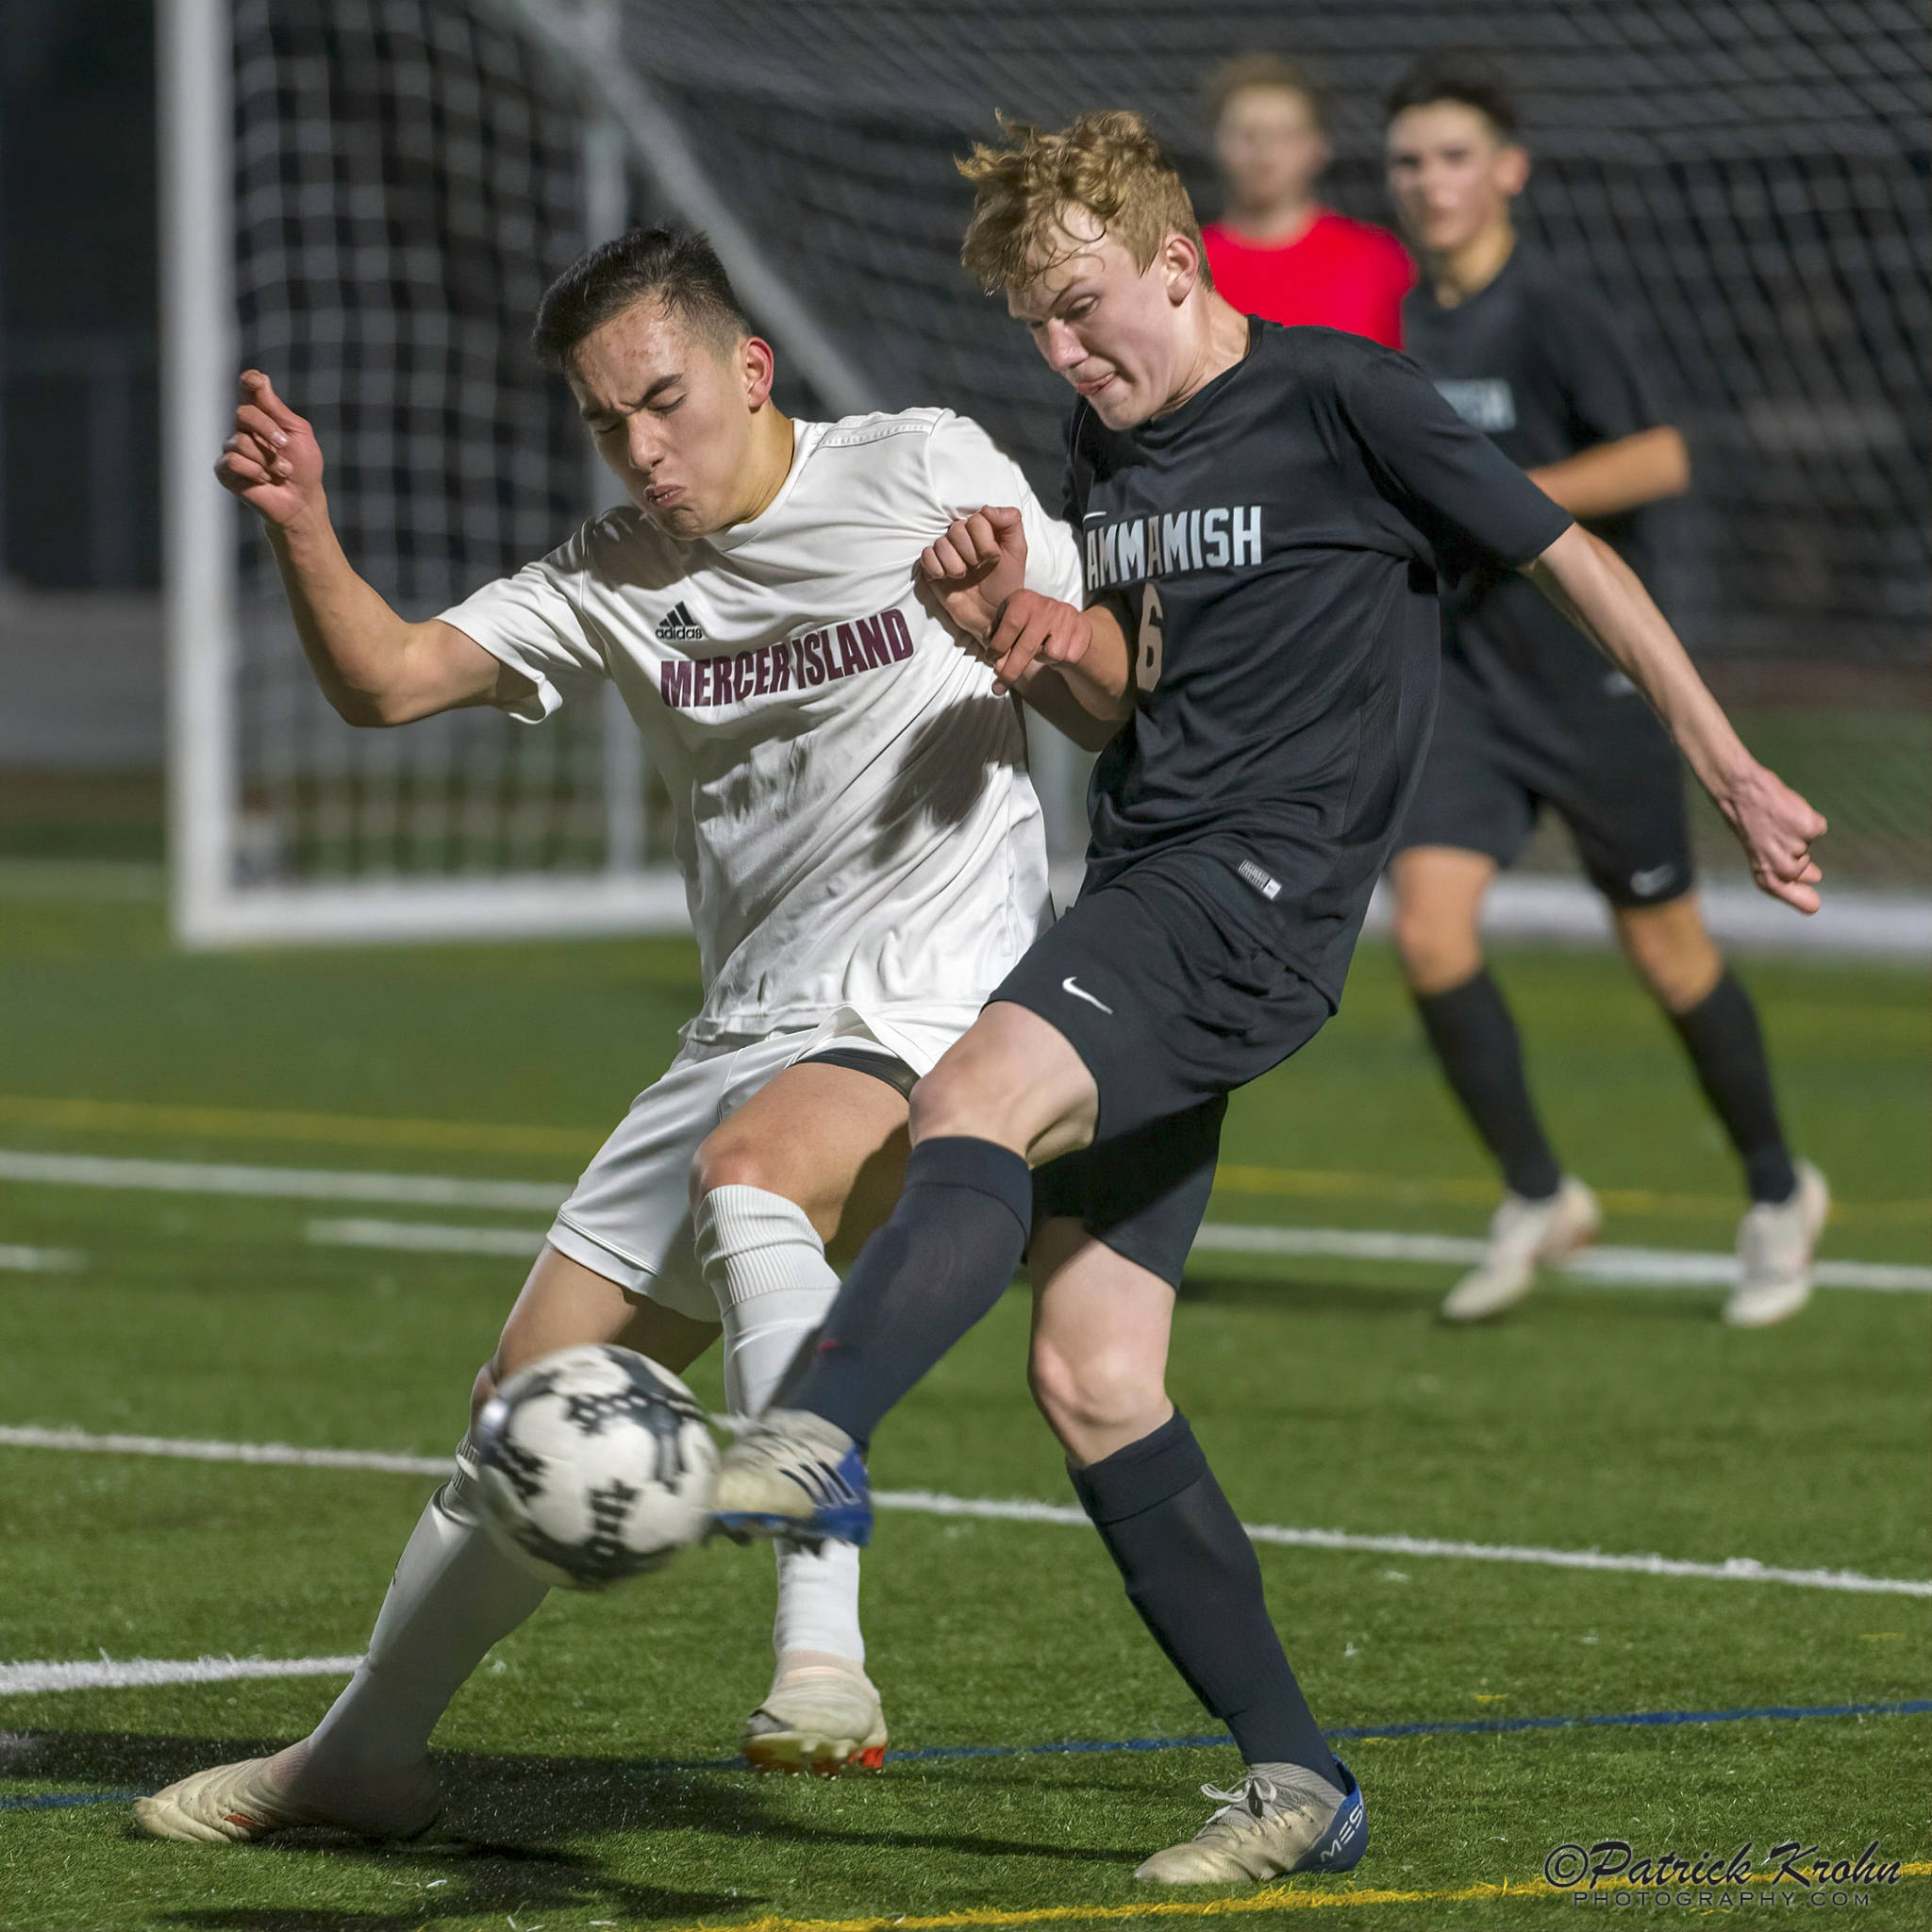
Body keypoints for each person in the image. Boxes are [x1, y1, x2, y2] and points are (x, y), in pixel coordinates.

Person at [710, 111, 1825, 1887]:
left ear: (1177, 262)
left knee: (968, 1103)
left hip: (1240, 898)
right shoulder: (1105, 445)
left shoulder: (1344, 399)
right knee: (1091, 1370)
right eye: (1037, 333)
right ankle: (1297, 1777)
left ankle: (810, 1433)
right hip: (1155, 885)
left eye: (1086, 309)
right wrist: (1028, 625)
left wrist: (1729, 768)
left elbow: (1576, 564)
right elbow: (1126, 696)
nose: (1069, 356)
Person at [132, 225, 1098, 1844]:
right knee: (522, 1404)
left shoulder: (923, 467)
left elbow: (1105, 677)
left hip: (935, 996)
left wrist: (1019, 620)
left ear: (748, 368)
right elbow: (384, 681)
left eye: (665, 402)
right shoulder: (613, 572)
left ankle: (822, 1649)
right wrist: (304, 527)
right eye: (608, 423)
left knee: (754, 1175)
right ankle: (359, 1759)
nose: (646, 450)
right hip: (747, 1016)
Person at [1380, 58, 1828, 1328]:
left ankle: (1777, 1186)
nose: (1432, 182)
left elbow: (1663, 454)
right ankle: (1538, 1193)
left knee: (1665, 948)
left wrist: (1504, 502)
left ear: (1509, 170)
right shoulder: (1400, 324)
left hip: (1588, 680)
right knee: (1427, 931)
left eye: (1456, 156)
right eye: (1410, 161)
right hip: (1466, 681)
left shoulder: (1555, 310)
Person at [1200, 53, 1412, 347]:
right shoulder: (1186, 265)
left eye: (1284, 135)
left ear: (1319, 147)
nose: (1265, 152)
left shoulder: (1377, 261)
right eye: (1247, 134)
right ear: (1217, 142)